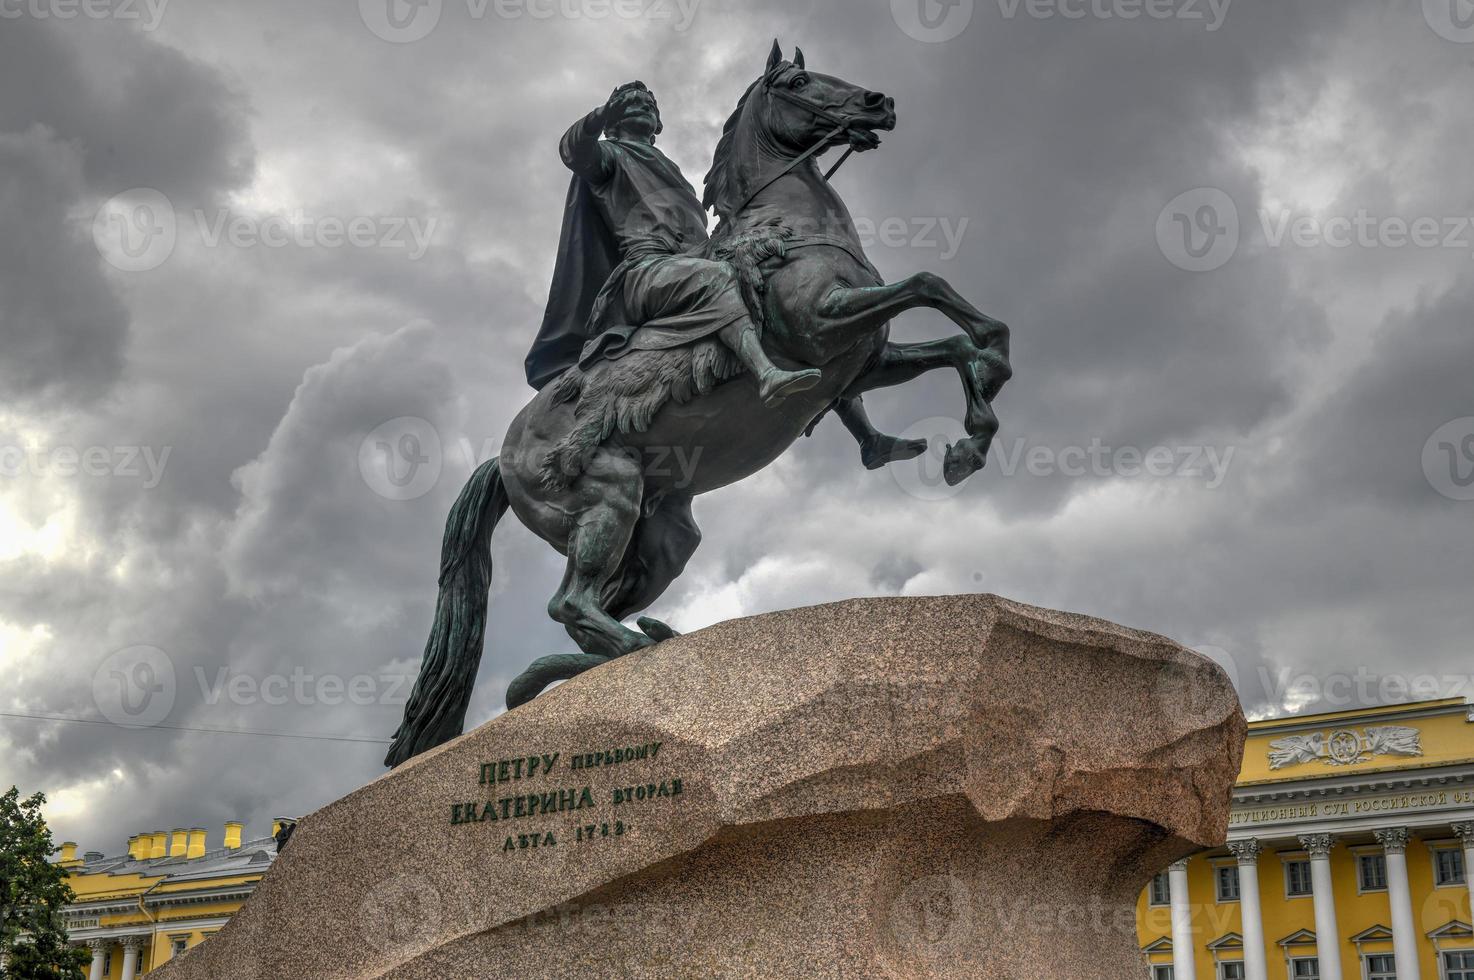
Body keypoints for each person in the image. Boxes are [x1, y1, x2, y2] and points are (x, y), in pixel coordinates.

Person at [525, 81, 820, 407]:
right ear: (614, 119)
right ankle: (766, 374)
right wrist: (598, 116)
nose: (642, 108)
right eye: (630, 104)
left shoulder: (671, 168)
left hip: (692, 258)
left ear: (658, 123)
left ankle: (862, 429)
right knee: (717, 278)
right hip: (644, 271)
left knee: (780, 276)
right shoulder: (609, 157)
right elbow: (573, 150)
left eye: (648, 105)